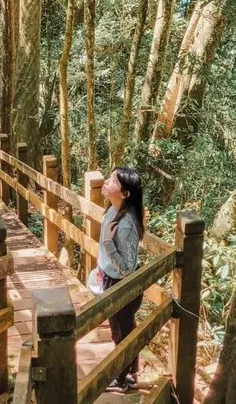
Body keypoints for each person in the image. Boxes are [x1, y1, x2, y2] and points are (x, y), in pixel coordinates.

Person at [98, 166, 145, 393]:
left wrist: (109, 246)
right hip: (109, 278)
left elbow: (127, 269)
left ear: (125, 194)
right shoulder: (112, 209)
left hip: (122, 284)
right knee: (120, 329)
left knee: (122, 332)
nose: (107, 181)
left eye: (113, 180)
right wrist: (101, 268)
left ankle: (123, 377)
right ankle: (130, 373)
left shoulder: (126, 225)